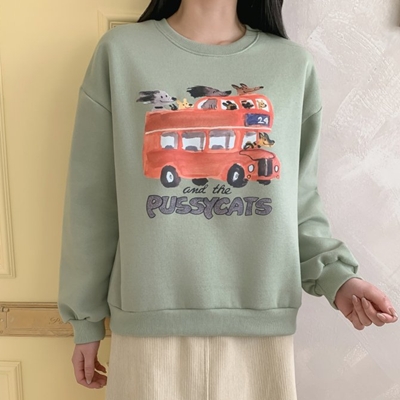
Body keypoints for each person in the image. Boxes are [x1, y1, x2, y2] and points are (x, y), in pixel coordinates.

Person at [57, 0, 398, 398]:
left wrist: (338, 279)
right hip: (147, 330)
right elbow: (91, 203)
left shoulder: (291, 65)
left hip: (260, 332)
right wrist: (85, 320)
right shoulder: (121, 53)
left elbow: (298, 204)